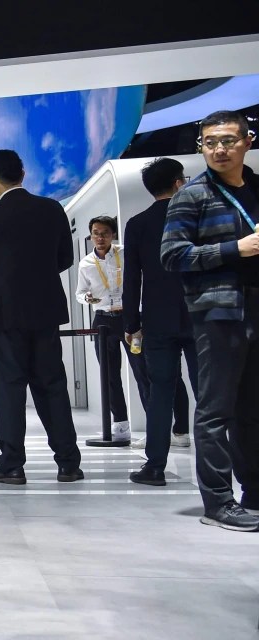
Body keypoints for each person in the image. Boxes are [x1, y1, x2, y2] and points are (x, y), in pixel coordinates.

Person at [161, 110, 259, 530]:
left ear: (247, 142)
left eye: (228, 141)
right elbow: (172, 255)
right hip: (218, 312)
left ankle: (254, 492)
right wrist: (235, 249)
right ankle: (218, 502)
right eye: (210, 142)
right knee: (216, 411)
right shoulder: (192, 195)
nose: (219, 149)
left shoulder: (256, 187)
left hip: (254, 307)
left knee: (252, 408)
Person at [0, 150, 83, 485]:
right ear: (23, 174)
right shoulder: (52, 208)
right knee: (52, 386)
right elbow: (65, 257)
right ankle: (68, 463)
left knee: (9, 390)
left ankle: (12, 465)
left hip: (3, 314)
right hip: (45, 311)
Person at [125, 158, 198, 486]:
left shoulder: (138, 224)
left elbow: (132, 278)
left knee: (160, 392)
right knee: (207, 392)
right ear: (179, 183)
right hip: (199, 315)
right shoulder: (195, 216)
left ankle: (155, 467)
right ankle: (217, 467)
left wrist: (131, 323)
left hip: (156, 319)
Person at [74, 215, 134, 443]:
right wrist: (86, 298)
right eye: (96, 234)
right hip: (102, 320)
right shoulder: (86, 263)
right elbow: (79, 293)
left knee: (143, 370)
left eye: (105, 233)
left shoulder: (125, 253)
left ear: (113, 234)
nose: (100, 238)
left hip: (128, 317)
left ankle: (155, 426)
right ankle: (120, 426)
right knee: (109, 376)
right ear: (91, 236)